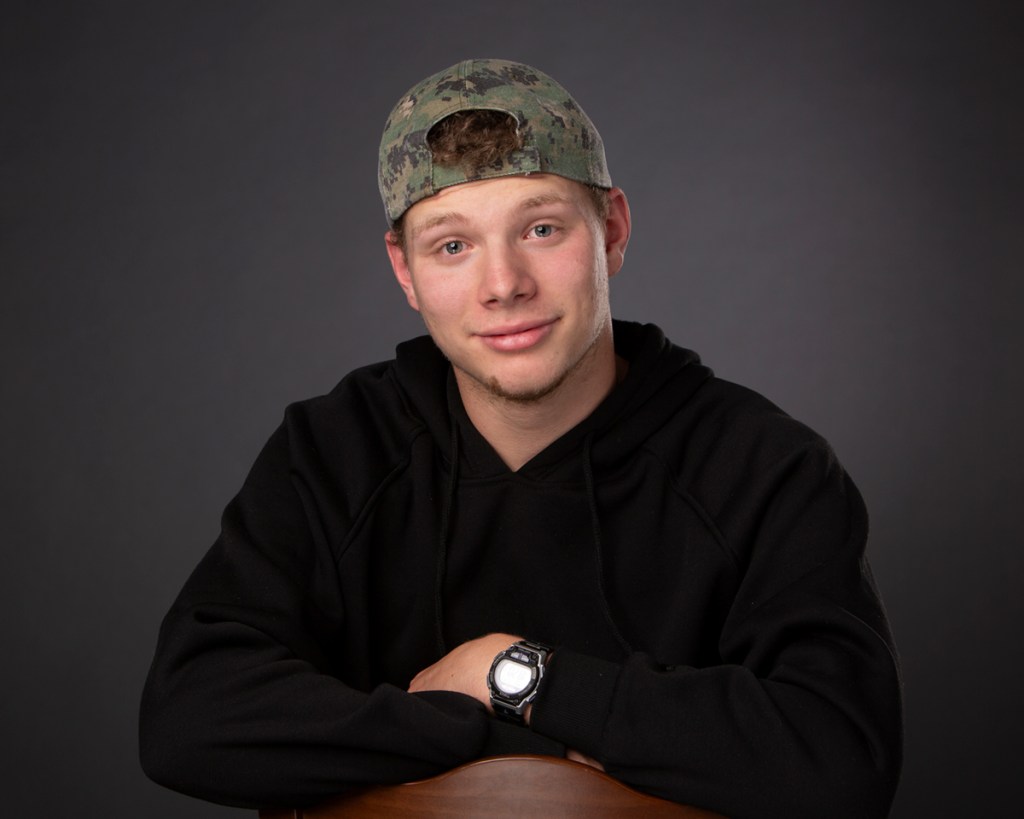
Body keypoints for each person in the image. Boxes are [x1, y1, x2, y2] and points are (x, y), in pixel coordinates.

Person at [140, 59, 903, 818]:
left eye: (541, 228)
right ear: (404, 271)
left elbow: (840, 758)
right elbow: (189, 717)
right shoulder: (334, 452)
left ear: (612, 231)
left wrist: (512, 673)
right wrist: (514, 734)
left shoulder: (764, 468)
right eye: (451, 245)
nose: (503, 283)